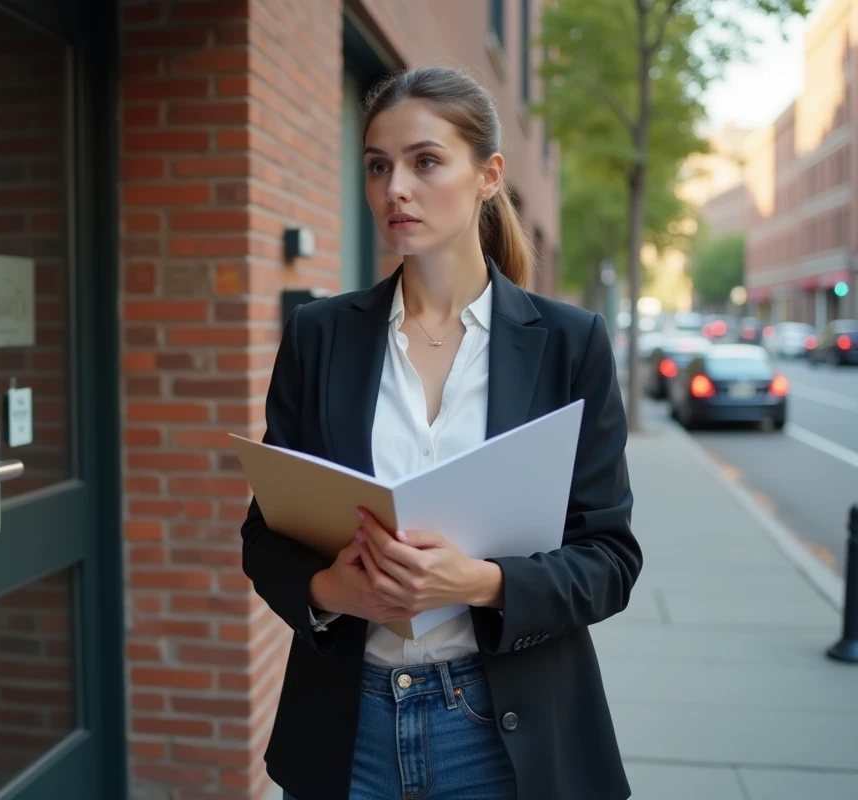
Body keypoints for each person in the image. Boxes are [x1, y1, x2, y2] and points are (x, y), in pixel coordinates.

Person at [240, 66, 642, 800]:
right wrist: (331, 590)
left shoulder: (567, 343)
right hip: (345, 728)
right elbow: (263, 537)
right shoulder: (318, 336)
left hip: (500, 733)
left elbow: (610, 557)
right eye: (378, 165)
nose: (396, 187)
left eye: (425, 162)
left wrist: (482, 584)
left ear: (489, 175)